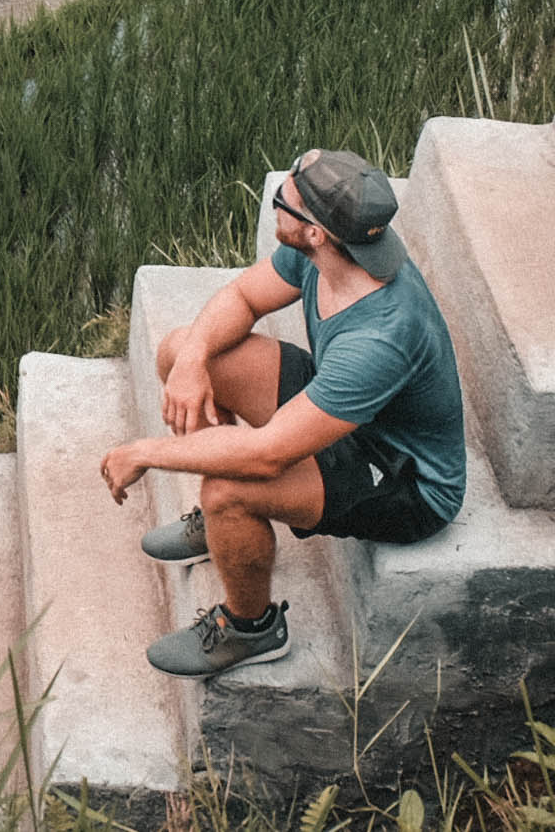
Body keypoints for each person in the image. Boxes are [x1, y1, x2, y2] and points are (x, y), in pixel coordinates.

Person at [97, 147, 466, 679]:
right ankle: (224, 532)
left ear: (315, 231)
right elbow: (245, 297)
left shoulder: (380, 338)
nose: (276, 207)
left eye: (281, 202)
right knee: (181, 351)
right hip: (344, 410)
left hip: (404, 479)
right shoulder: (326, 250)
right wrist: (194, 361)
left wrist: (147, 453)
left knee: (230, 489)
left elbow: (265, 455)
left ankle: (250, 628)